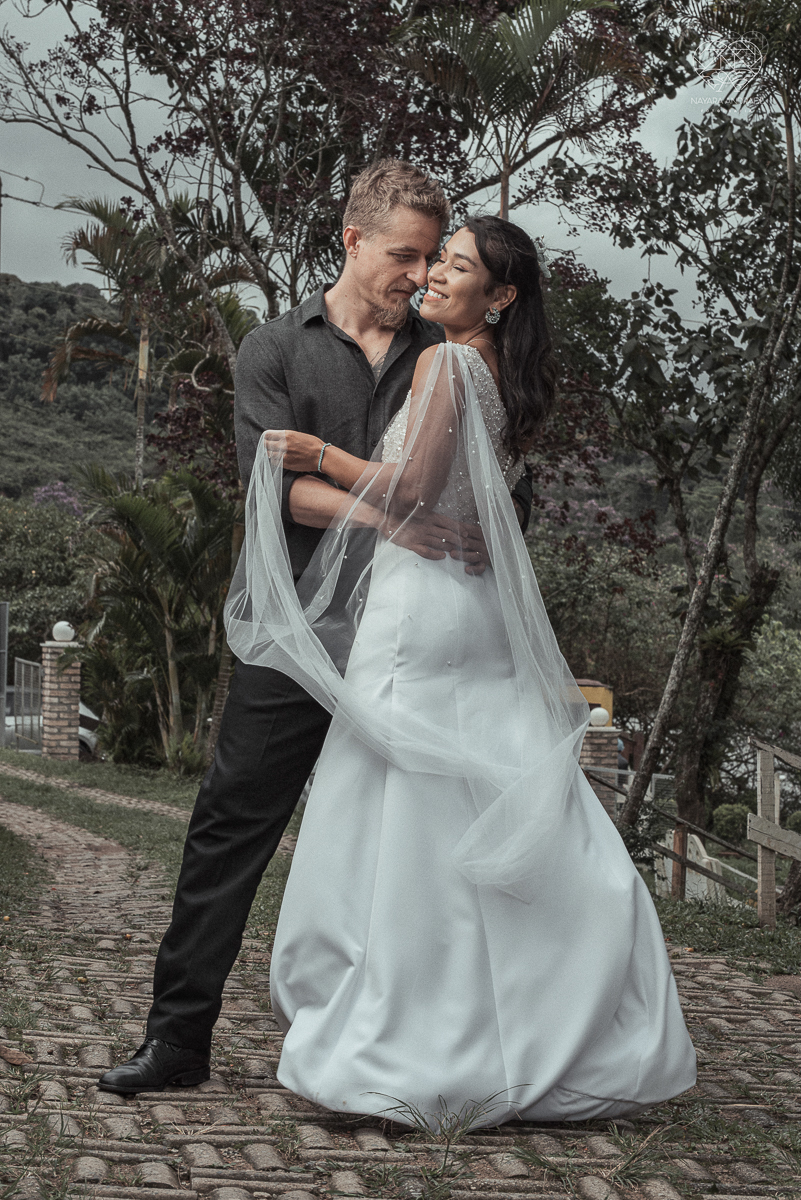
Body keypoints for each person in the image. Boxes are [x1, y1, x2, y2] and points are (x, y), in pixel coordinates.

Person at [223, 216, 697, 1125]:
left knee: (406, 816)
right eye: (435, 260)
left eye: (457, 266)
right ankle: (509, 1024)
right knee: (464, 802)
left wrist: (314, 451)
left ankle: (406, 1035)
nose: (434, 275)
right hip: (463, 607)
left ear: (501, 295)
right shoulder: (499, 375)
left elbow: (408, 487)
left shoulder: (446, 364)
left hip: (422, 611)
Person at [99, 160, 534, 1095]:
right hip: (303, 630)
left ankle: (443, 1040)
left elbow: (489, 484)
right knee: (231, 822)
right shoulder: (274, 349)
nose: (418, 276)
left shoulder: (446, 351)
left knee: (422, 842)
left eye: (430, 259)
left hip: (415, 644)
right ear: (350, 239)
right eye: (403, 256)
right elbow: (274, 486)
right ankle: (177, 1041)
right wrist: (392, 517)